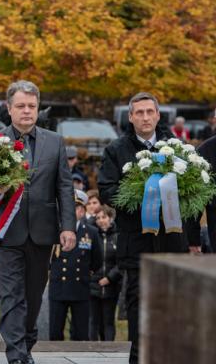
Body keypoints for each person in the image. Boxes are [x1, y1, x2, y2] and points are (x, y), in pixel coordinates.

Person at [98, 92, 200, 364]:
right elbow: (106, 191)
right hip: (136, 242)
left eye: (149, 112)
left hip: (172, 242)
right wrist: (139, 195)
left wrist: (192, 240)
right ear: (130, 117)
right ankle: (139, 358)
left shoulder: (177, 147)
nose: (145, 117)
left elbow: (194, 193)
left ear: (157, 115)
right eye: (139, 112)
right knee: (138, 303)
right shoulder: (116, 150)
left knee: (174, 303)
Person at [0, 80, 76, 364]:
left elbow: (64, 187)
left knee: (34, 295)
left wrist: (67, 227)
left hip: (43, 232)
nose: (27, 111)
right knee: (12, 295)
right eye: (21, 106)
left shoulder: (55, 142)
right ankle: (16, 355)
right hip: (6, 232)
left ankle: (26, 341)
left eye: (32, 106)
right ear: (9, 108)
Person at [49, 190, 101, 341]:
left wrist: (88, 274)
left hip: (80, 287)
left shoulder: (91, 232)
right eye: (70, 207)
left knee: (80, 333)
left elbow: (97, 260)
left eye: (78, 208)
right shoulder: (55, 231)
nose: (74, 211)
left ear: (83, 211)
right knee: (55, 331)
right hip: (59, 287)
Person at [89, 205, 122, 341]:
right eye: (98, 218)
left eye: (104, 217)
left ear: (110, 218)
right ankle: (91, 351)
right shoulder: (91, 236)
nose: (101, 220)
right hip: (93, 286)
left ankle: (109, 352)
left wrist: (109, 278)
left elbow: (121, 262)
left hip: (110, 286)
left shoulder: (117, 237)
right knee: (92, 322)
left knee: (108, 322)